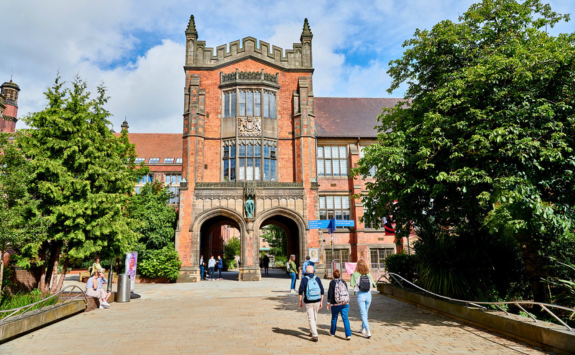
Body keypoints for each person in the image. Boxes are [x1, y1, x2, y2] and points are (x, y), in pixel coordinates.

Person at [350, 260, 377, 338]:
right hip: (368, 295)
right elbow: (374, 284)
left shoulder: (355, 274)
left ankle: (368, 331)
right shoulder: (368, 273)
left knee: (363, 314)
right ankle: (363, 328)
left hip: (361, 295)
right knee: (365, 313)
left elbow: (352, 284)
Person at [299, 265, 324, 342]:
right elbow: (322, 291)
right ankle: (311, 330)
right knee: (314, 316)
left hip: (308, 301)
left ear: (306, 271)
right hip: (317, 300)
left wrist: (300, 301)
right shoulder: (317, 278)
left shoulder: (304, 279)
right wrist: (321, 301)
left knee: (311, 317)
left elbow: (300, 291)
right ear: (313, 271)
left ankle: (314, 335)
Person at [327, 269, 351, 340]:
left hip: (336, 304)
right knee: (345, 318)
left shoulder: (332, 283)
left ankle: (332, 332)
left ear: (333, 275)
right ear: (340, 275)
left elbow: (330, 293)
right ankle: (348, 334)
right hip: (345, 303)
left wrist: (328, 303)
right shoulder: (343, 282)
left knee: (334, 318)